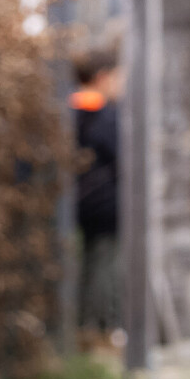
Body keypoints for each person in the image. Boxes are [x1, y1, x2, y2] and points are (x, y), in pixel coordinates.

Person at [70, 47, 121, 344]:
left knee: (86, 267)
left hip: (76, 206)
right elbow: (118, 156)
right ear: (101, 77)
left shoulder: (68, 111)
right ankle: (101, 330)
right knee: (105, 269)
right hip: (105, 207)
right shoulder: (105, 115)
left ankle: (81, 327)